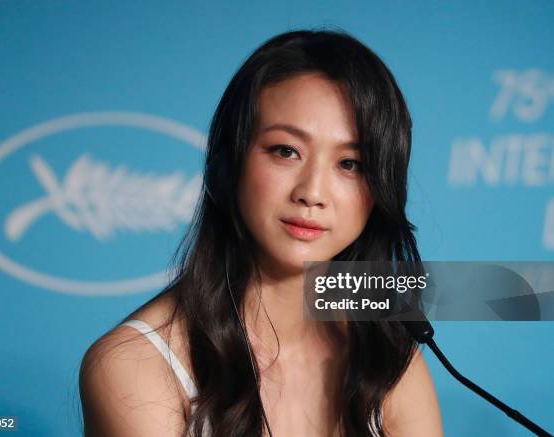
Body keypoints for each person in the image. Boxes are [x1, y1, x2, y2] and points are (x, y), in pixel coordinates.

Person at [79, 28, 443, 437]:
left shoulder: (385, 353)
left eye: (350, 164)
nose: (312, 193)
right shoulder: (134, 363)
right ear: (228, 165)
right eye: (286, 151)